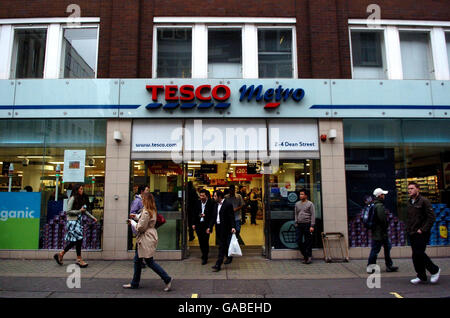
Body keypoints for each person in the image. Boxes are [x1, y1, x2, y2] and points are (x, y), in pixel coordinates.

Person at [123, 192, 173, 291]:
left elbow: (140, 228)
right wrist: (136, 217)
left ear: (146, 200)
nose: (141, 200)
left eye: (143, 198)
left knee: (149, 262)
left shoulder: (146, 211)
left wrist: (132, 222)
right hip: (146, 238)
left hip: (145, 238)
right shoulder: (151, 210)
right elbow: (144, 219)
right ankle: (134, 283)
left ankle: (167, 278)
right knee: (137, 261)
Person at [53, 184, 97, 268]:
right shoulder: (72, 198)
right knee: (79, 239)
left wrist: (92, 217)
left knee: (76, 240)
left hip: (77, 222)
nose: (82, 190)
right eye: (80, 189)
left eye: (82, 189)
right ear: (76, 190)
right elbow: (68, 211)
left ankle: (61, 254)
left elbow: (84, 211)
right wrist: (79, 211)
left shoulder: (80, 199)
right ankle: (79, 259)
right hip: (72, 222)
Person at [407, 182, 440, 285]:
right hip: (412, 232)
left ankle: (435, 270)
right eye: (408, 189)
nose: (409, 190)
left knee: (419, 253)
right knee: (415, 256)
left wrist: (422, 229)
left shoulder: (424, 201)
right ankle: (421, 276)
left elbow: (432, 217)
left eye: (412, 188)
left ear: (418, 189)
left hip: (421, 233)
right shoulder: (409, 202)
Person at [366, 188, 399, 274]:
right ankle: (372, 266)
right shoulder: (379, 206)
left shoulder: (374, 205)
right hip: (380, 233)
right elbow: (382, 219)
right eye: (383, 194)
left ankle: (388, 265)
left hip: (378, 232)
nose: (384, 196)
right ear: (380, 195)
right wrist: (385, 227)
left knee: (386, 247)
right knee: (376, 249)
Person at [207, 190, 236, 272]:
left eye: (215, 196)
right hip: (218, 227)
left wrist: (233, 227)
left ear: (220, 197)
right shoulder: (215, 205)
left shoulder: (228, 204)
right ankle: (229, 256)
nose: (213, 197)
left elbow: (231, 217)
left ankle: (218, 264)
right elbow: (213, 217)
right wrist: (210, 227)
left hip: (225, 228)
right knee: (224, 244)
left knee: (221, 245)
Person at [192, 189, 214, 265]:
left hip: (206, 225)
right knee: (201, 241)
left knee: (205, 240)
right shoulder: (197, 203)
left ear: (207, 196)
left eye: (203, 196)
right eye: (200, 195)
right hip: (199, 225)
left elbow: (212, 216)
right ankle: (203, 253)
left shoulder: (211, 203)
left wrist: (210, 227)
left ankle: (205, 256)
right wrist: (193, 223)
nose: (201, 197)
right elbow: (194, 213)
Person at [294, 189, 315, 264]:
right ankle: (305, 255)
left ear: (306, 195)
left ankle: (308, 257)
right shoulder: (297, 204)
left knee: (308, 241)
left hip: (307, 224)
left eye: (302, 194)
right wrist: (296, 223)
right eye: (300, 194)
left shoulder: (310, 204)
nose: (301, 196)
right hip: (299, 225)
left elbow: (313, 215)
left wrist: (312, 225)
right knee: (298, 240)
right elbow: (296, 214)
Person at [225, 185, 246, 250]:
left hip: (237, 216)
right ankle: (230, 245)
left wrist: (236, 209)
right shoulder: (226, 197)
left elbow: (242, 205)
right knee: (229, 231)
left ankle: (234, 241)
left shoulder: (239, 196)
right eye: (230, 190)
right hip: (228, 218)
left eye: (233, 190)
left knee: (237, 230)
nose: (232, 191)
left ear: (234, 190)